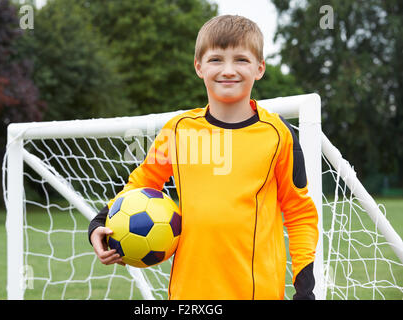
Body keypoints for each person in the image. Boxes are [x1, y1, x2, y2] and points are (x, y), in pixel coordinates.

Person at [88, 14, 318, 300]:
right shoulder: (179, 130)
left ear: (260, 68)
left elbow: (299, 214)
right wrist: (99, 223)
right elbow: (142, 182)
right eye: (216, 59)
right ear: (199, 67)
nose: (228, 70)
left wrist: (305, 289)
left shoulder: (278, 134)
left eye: (241, 60)